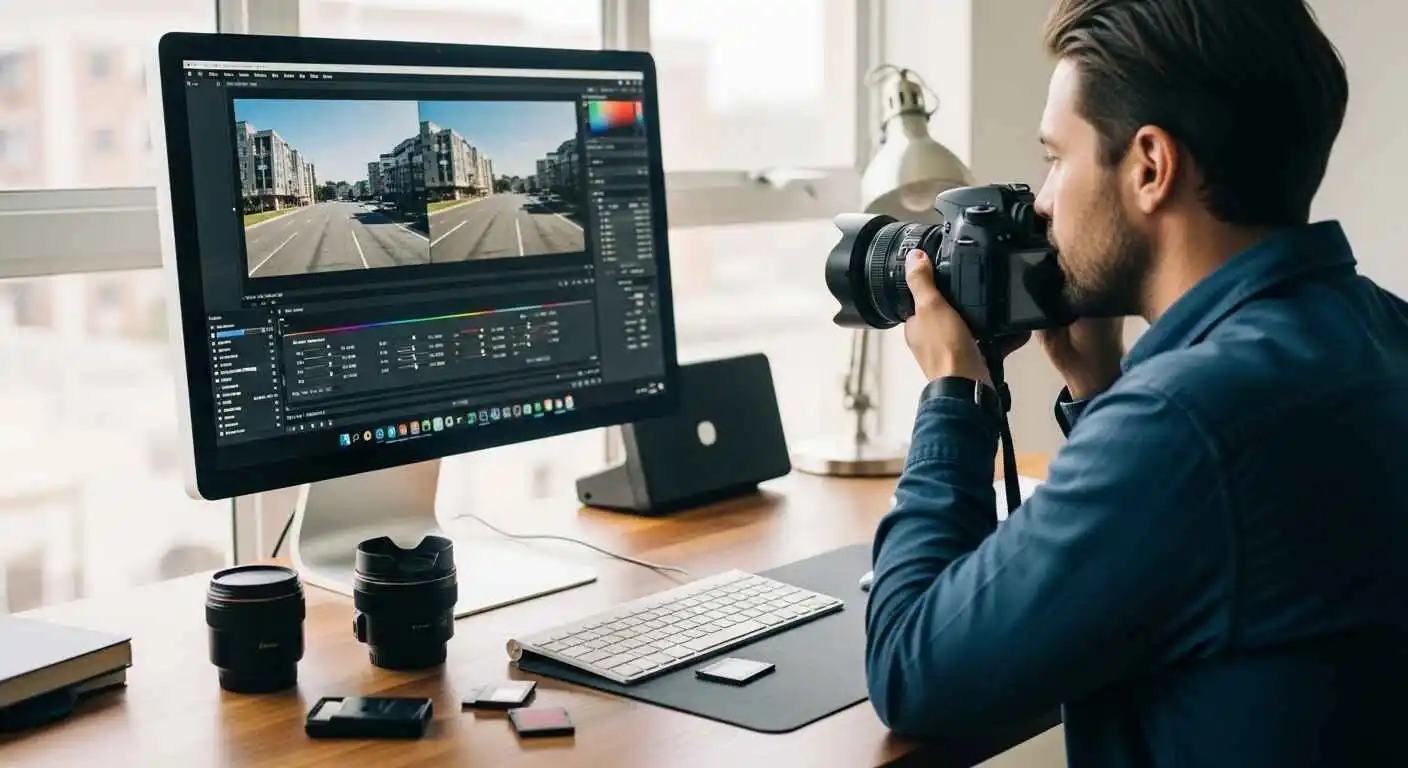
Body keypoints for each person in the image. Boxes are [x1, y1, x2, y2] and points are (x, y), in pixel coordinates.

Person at [863, 0, 1408, 765]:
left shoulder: (1185, 422)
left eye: (1057, 157)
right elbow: (1190, 555)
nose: (1045, 201)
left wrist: (954, 392)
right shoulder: (1379, 330)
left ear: (1151, 166)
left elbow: (911, 672)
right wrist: (1100, 387)